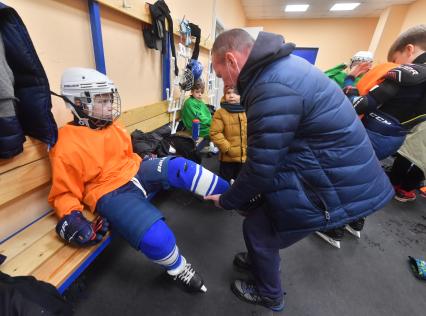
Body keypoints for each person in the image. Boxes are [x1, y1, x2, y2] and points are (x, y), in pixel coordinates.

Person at [205, 29, 393, 311]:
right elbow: (275, 150)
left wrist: (229, 199)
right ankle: (260, 259)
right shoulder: (282, 67)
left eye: (221, 75)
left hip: (334, 181)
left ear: (231, 60)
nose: (224, 83)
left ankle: (270, 295)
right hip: (328, 163)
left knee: (259, 231)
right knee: (259, 216)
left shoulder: (270, 86)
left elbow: (260, 167)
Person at [48, 68, 230, 294]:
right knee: (157, 238)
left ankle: (231, 196)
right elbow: (63, 193)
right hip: (109, 192)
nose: (109, 105)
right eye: (101, 100)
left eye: (109, 98)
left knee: (182, 167)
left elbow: (128, 155)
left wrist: (147, 161)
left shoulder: (113, 126)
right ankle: (178, 268)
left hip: (136, 170)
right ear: (78, 103)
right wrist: (71, 215)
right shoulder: (65, 144)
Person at [210, 86, 247, 182]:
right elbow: (215, 133)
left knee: (241, 183)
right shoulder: (220, 113)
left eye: (235, 93)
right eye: (228, 93)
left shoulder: (246, 111)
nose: (231, 96)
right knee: (224, 183)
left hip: (244, 157)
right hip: (228, 159)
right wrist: (228, 148)